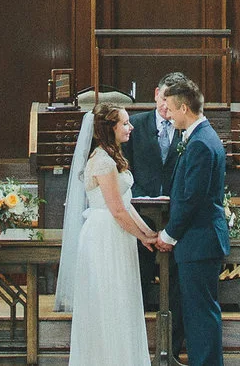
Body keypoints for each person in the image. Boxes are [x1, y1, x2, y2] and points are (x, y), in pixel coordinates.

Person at [60, 99, 162, 366]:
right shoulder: (103, 161)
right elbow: (116, 210)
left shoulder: (113, 156)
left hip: (117, 234)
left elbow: (127, 204)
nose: (130, 127)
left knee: (122, 300)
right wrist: (143, 237)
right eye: (125, 123)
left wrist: (149, 233)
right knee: (107, 301)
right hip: (104, 234)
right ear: (110, 128)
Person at [151, 78, 230, 366]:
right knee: (200, 313)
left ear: (184, 108)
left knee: (201, 316)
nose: (168, 115)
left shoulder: (200, 143)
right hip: (201, 241)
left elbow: (191, 199)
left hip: (199, 241)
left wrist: (169, 235)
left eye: (170, 109)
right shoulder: (201, 137)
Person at [127, 73, 192, 311]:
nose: (166, 105)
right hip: (139, 214)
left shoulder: (187, 128)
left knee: (177, 281)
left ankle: (173, 338)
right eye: (164, 97)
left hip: (176, 216)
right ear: (156, 94)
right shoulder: (134, 125)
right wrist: (143, 197)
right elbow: (124, 168)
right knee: (138, 273)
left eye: (173, 100)